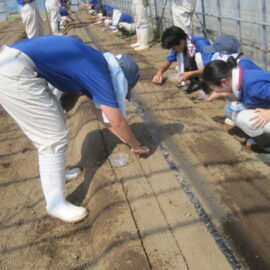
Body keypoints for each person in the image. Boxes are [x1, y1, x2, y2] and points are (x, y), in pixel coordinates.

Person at [0, 35, 150, 223]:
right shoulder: (99, 73)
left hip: (15, 65)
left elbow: (100, 115)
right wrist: (135, 144)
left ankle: (58, 174)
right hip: (14, 73)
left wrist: (126, 140)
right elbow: (116, 120)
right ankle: (55, 204)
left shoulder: (96, 62)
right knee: (51, 138)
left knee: (57, 120)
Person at [202, 57, 270, 164]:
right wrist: (223, 94)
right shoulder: (239, 70)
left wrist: (268, 113)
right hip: (263, 105)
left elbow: (254, 89)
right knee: (229, 108)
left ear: (224, 82)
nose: (214, 91)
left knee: (244, 118)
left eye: (214, 88)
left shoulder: (252, 84)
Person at [152, 26, 212, 93]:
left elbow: (209, 68)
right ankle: (193, 79)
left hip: (210, 70)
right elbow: (169, 60)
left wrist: (191, 73)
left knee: (198, 57)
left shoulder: (201, 43)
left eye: (174, 48)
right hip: (197, 70)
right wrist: (159, 73)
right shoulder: (180, 44)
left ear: (181, 41)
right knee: (180, 62)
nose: (174, 50)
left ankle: (202, 80)